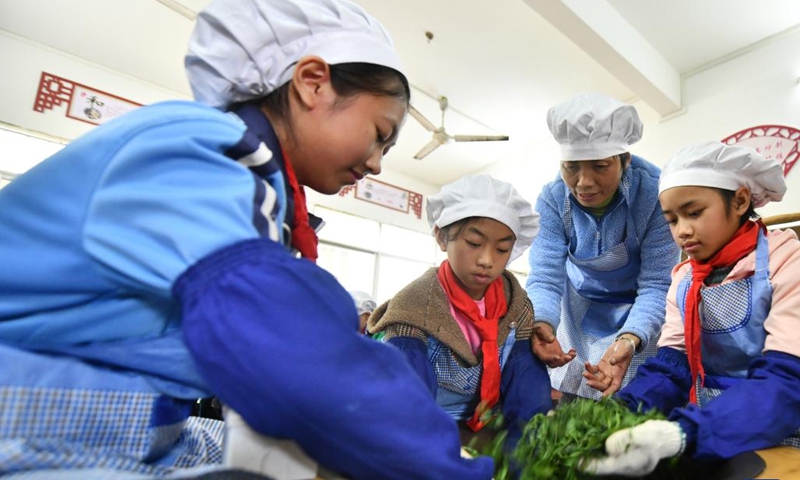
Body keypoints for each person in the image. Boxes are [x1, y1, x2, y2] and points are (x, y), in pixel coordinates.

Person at [0, 0, 494, 478]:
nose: (376, 164)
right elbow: (287, 339)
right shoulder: (193, 150)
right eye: (379, 134)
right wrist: (439, 464)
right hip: (26, 406)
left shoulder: (258, 189)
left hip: (128, 417)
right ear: (312, 83)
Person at [584, 141, 800, 477]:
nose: (682, 231)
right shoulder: (684, 279)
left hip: (782, 433)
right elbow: (672, 367)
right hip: (703, 431)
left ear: (740, 201)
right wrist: (622, 411)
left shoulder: (786, 263)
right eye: (671, 220)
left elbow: (787, 382)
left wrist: (683, 433)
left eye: (694, 213)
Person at [368, 174, 552, 448]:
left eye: (502, 249)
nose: (487, 260)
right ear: (442, 237)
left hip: (486, 415)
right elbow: (408, 398)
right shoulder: (414, 304)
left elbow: (525, 381)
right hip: (429, 418)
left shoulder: (516, 304)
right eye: (474, 244)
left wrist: (526, 446)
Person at [525, 92, 680, 402]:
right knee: (574, 398)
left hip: (639, 308)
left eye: (599, 166)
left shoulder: (655, 193)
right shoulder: (553, 198)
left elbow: (656, 283)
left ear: (625, 160)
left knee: (628, 401)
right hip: (578, 307)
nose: (583, 182)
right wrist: (542, 321)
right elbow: (545, 275)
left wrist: (630, 338)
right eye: (571, 167)